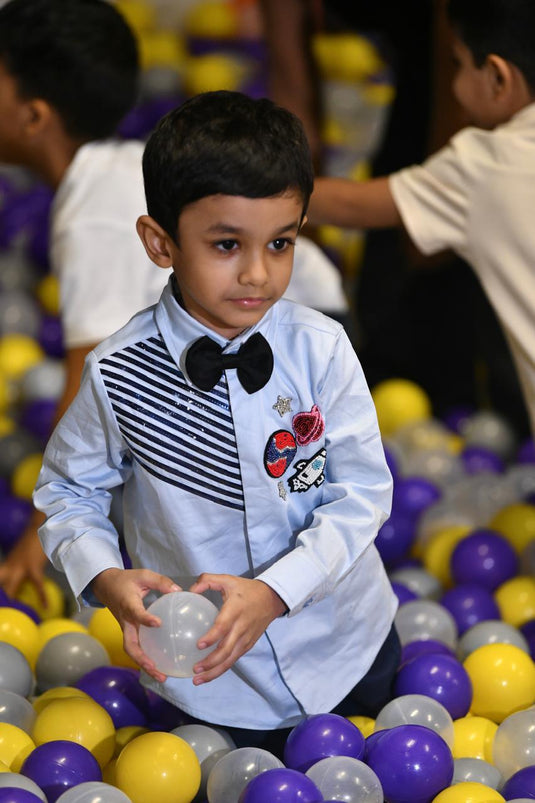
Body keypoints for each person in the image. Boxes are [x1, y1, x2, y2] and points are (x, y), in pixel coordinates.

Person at [34, 90, 399, 754]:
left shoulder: (322, 348)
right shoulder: (117, 373)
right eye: (227, 244)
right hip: (208, 674)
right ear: (160, 242)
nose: (258, 273)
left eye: (281, 242)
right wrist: (104, 575)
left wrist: (274, 592)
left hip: (343, 642)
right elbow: (67, 489)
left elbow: (363, 491)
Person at [0, 0, 348, 601]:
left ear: (34, 115)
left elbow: (85, 364)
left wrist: (40, 532)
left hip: (279, 327)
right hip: (231, 324)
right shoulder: (103, 180)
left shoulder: (91, 217)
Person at [307, 0, 535, 436]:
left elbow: (353, 206)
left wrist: (246, 189)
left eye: (458, 64)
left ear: (498, 78)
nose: (453, 82)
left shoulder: (482, 165)